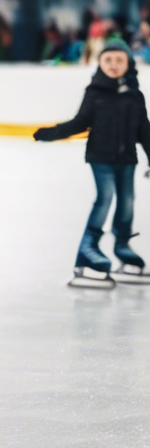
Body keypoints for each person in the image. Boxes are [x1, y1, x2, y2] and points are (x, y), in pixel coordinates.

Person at [33, 39, 150, 287]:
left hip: (127, 159)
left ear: (128, 63)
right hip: (100, 158)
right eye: (108, 60)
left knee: (127, 202)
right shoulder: (94, 92)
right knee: (105, 199)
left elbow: (144, 132)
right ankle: (88, 250)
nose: (114, 65)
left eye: (120, 60)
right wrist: (51, 133)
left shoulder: (135, 95)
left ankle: (122, 246)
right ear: (100, 63)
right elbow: (79, 122)